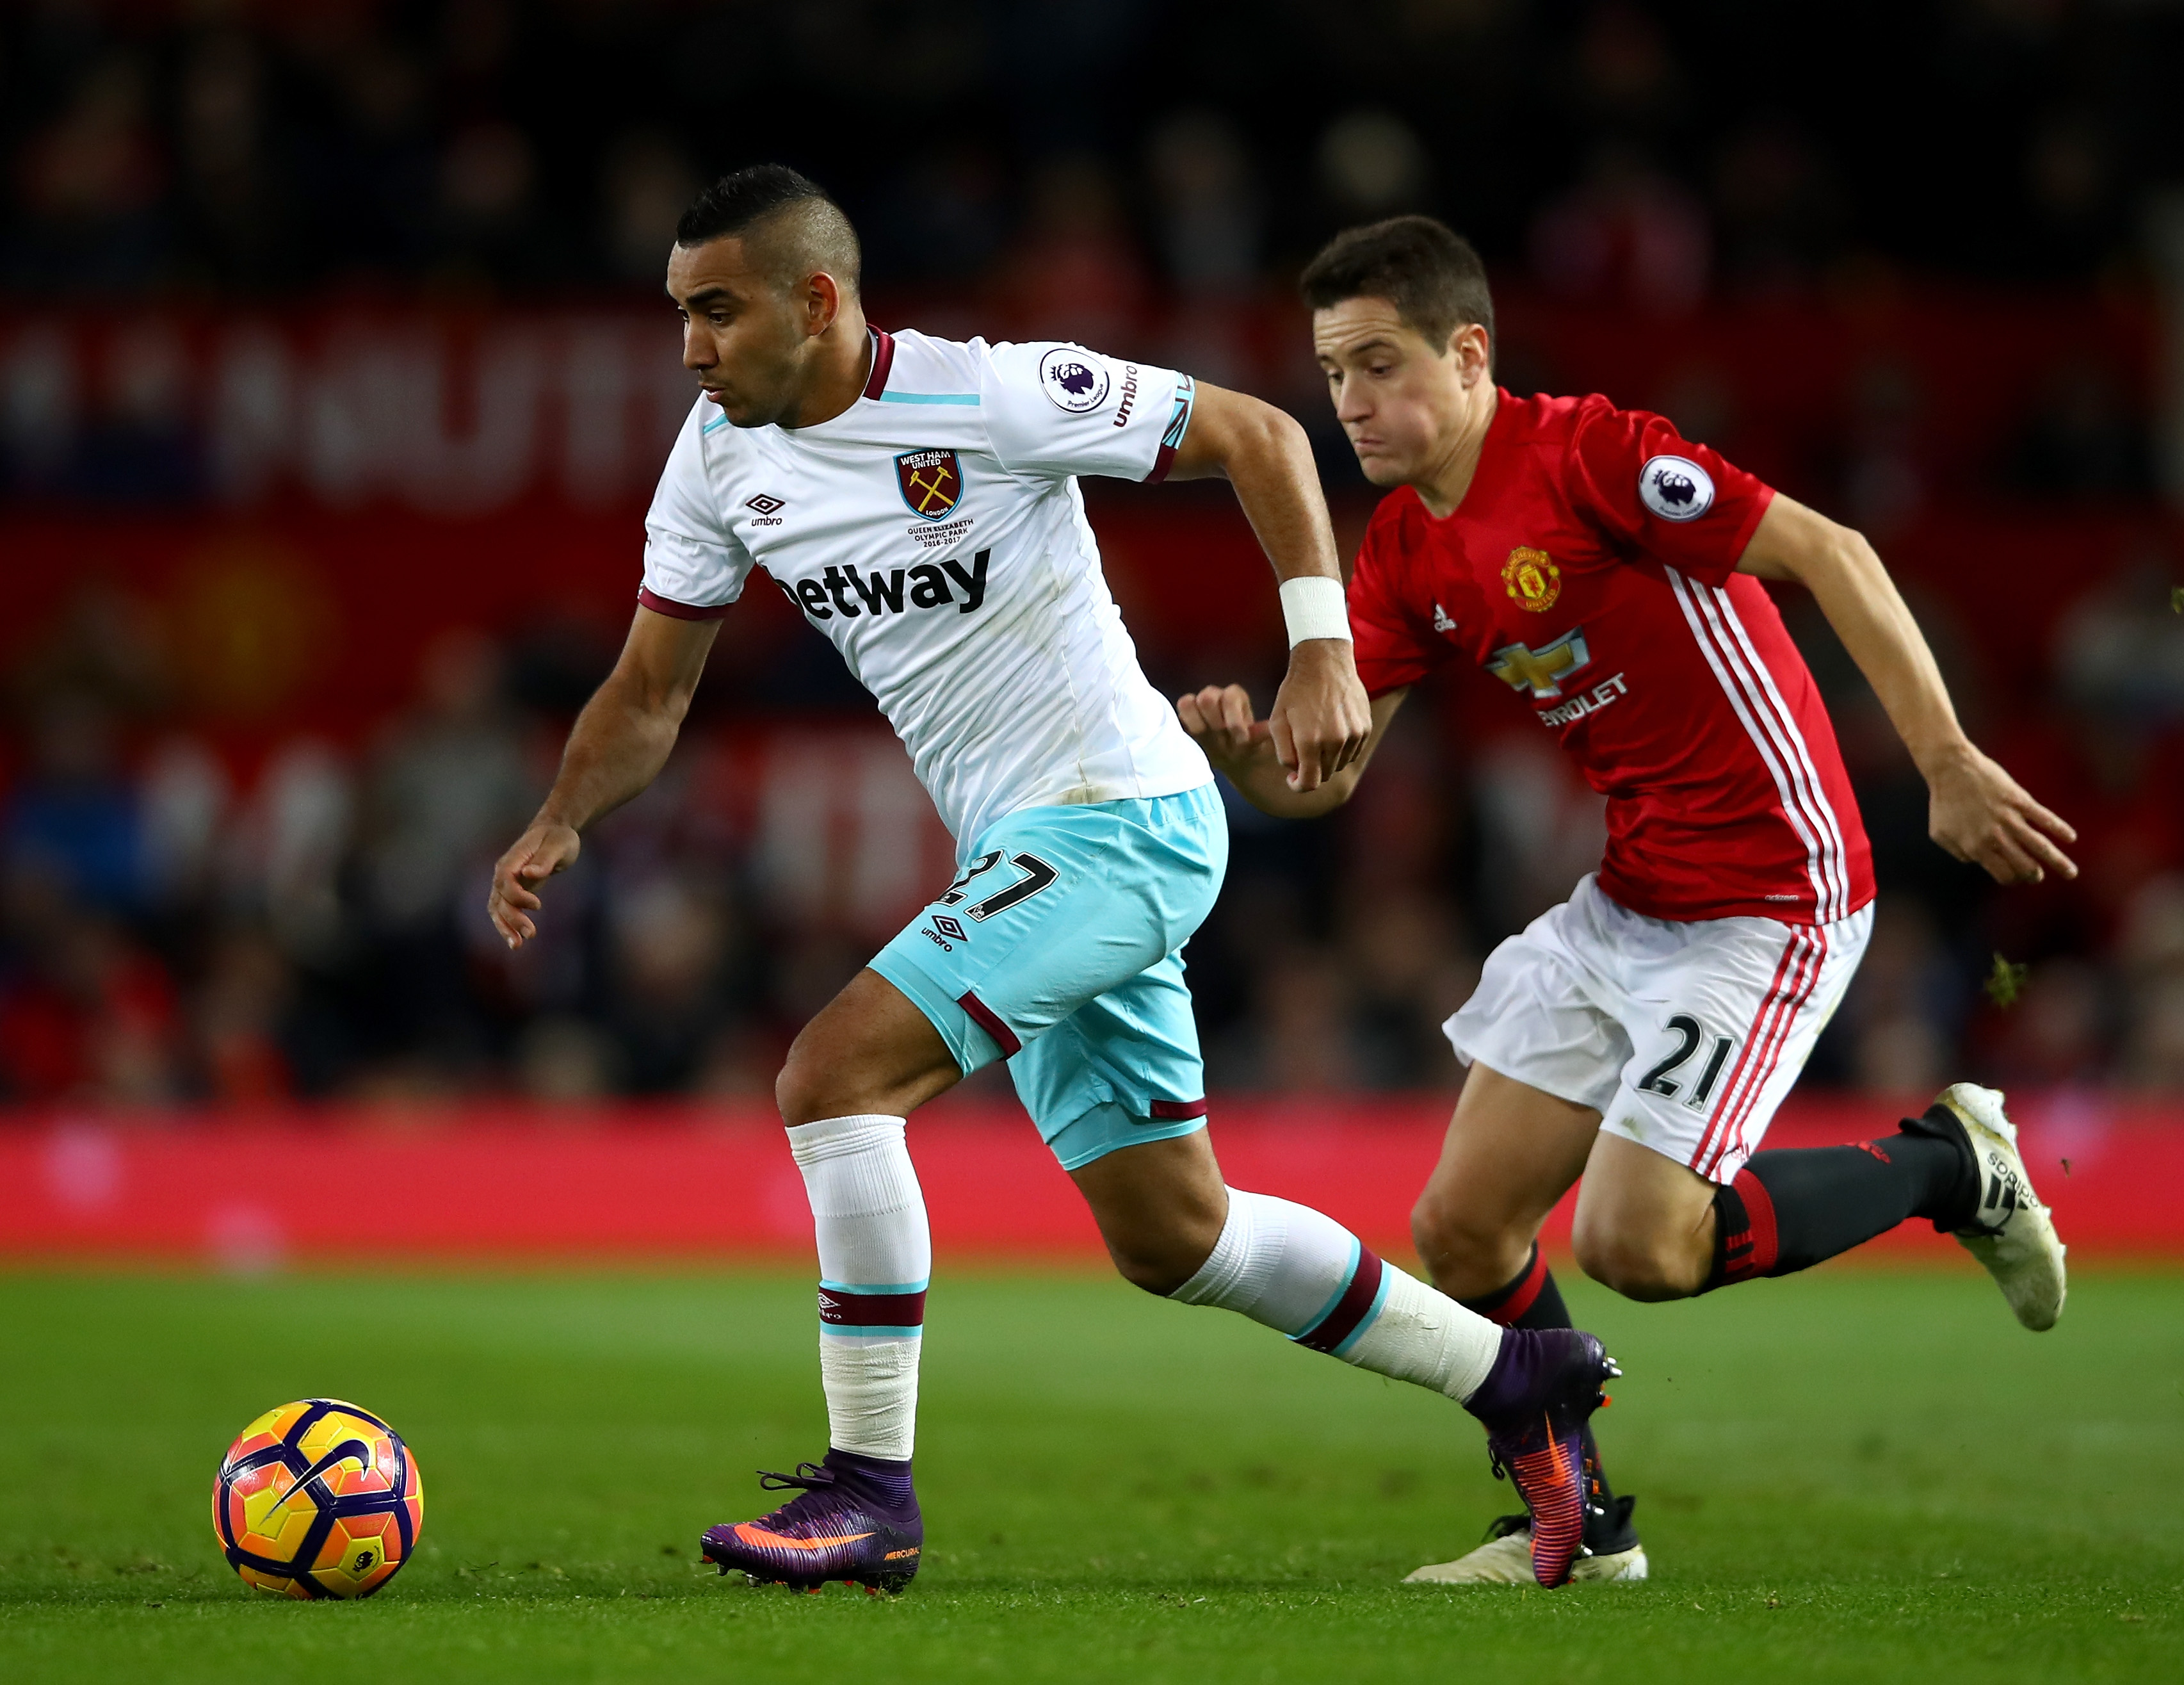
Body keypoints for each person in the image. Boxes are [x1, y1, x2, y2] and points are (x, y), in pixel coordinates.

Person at [486, 168, 1621, 1596]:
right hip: (1034, 851)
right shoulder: (718, 459)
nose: (694, 348)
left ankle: (867, 1491)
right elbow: (652, 689)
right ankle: (1518, 1378)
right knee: (1174, 1233)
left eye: (717, 310)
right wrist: (559, 817)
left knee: (833, 1074)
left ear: (816, 300)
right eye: (682, 316)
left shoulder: (994, 394)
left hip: (1122, 819)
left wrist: (1322, 647)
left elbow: (1260, 435)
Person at [1179, 215, 2073, 1588]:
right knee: (1465, 1227)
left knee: (1637, 1244)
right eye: (1331, 371)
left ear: (1469, 355)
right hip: (1631, 895)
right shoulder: (1408, 549)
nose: (1349, 401)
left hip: (1774, 892)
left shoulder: (1593, 454)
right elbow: (1330, 779)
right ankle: (1581, 1520)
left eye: (1377, 363)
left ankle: (1957, 1166)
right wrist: (1258, 762)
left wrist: (1945, 761)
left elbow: (1833, 550)